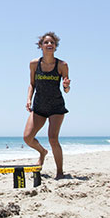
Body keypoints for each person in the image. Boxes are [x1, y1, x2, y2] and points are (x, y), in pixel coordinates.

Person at [23, 32, 71, 178]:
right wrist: (28, 99)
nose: (49, 45)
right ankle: (42, 152)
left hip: (56, 106)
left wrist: (66, 86)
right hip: (39, 106)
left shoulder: (62, 65)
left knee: (53, 139)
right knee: (27, 138)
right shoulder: (34, 64)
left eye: (52, 43)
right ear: (41, 46)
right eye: (46, 42)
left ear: (55, 46)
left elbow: (66, 90)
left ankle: (60, 172)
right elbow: (32, 84)